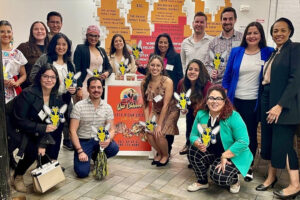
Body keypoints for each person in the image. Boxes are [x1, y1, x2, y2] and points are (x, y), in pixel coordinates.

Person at [222, 22, 274, 181]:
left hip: (254, 102)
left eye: (255, 33)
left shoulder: (268, 52)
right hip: (234, 100)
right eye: (249, 33)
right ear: (245, 35)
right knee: (232, 133)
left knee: (249, 134)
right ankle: (233, 160)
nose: (252, 36)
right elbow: (227, 77)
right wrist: (226, 99)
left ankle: (248, 165)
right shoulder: (237, 51)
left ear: (261, 35)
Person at [255, 18, 300, 199]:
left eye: (283, 30)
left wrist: (280, 105)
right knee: (272, 141)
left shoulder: (295, 49)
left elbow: (296, 80)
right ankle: (271, 177)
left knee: (284, 144)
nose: (278, 34)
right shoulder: (275, 52)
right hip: (268, 97)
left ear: (290, 31)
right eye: (275, 31)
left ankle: (295, 185)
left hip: (283, 105)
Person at [12, 64, 71, 193]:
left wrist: (43, 142)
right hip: (19, 129)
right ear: (40, 77)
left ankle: (43, 167)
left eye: (52, 77)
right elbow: (19, 120)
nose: (49, 80)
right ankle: (18, 176)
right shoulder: (28, 93)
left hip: (39, 130)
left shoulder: (56, 97)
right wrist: (42, 130)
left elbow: (53, 124)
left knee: (48, 144)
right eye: (46, 76)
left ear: (56, 80)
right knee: (33, 149)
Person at [187, 85, 253, 194]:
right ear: (206, 100)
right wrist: (196, 142)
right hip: (212, 151)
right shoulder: (201, 114)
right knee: (192, 150)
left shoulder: (233, 116)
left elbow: (244, 141)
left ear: (224, 101)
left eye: (218, 98)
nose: (214, 101)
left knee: (219, 178)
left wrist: (225, 155)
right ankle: (202, 182)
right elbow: (193, 135)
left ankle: (234, 180)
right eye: (211, 98)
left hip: (232, 154)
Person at [29, 33, 76, 150]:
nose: (61, 47)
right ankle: (41, 160)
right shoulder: (45, 58)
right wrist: (48, 82)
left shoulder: (70, 64)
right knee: (45, 130)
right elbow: (32, 76)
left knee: (58, 131)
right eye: (58, 44)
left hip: (63, 101)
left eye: (64, 44)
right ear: (53, 45)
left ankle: (53, 162)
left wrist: (73, 89)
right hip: (46, 100)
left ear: (68, 47)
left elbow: (73, 82)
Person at [138, 33, 183, 154]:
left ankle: (167, 150)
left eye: (165, 42)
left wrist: (178, 94)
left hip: (171, 96)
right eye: (160, 42)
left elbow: (179, 76)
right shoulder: (153, 56)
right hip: (158, 101)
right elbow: (150, 71)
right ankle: (162, 152)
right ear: (157, 44)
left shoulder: (175, 56)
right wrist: (138, 67)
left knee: (168, 128)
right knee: (157, 128)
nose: (162, 44)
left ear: (169, 44)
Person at [69, 77, 119, 178]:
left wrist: (108, 139)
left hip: (99, 140)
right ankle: (86, 155)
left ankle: (96, 157)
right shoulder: (79, 106)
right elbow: (72, 131)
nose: (96, 90)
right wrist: (80, 151)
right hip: (83, 141)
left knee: (114, 148)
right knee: (82, 173)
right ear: (87, 89)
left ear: (102, 89)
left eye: (99, 87)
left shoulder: (107, 107)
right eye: (93, 87)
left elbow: (112, 129)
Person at [141, 55, 180, 166]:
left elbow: (166, 105)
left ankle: (165, 155)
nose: (155, 68)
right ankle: (160, 152)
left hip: (170, 110)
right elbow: (146, 105)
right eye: (152, 65)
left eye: (158, 65)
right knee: (149, 133)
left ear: (162, 67)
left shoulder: (168, 81)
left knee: (159, 133)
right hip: (156, 109)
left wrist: (159, 124)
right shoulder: (144, 83)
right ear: (148, 66)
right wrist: (148, 122)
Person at [177, 59, 212, 157]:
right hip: (191, 111)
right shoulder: (182, 83)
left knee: (201, 133)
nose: (192, 72)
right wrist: (182, 107)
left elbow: (209, 105)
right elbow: (181, 99)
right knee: (190, 125)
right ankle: (190, 147)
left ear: (201, 73)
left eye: (196, 70)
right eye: (190, 69)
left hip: (204, 113)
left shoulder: (207, 85)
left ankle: (200, 155)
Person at [205, 7, 243, 84]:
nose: (227, 21)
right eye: (225, 19)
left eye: (230, 19)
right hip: (219, 85)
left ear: (235, 20)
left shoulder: (242, 39)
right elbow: (207, 64)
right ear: (221, 21)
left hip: (237, 84)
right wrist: (211, 72)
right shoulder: (213, 42)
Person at [74, 25, 112, 100]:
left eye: (96, 36)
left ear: (99, 37)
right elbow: (76, 69)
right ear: (87, 36)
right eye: (91, 35)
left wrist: (107, 73)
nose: (93, 38)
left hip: (98, 88)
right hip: (84, 86)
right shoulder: (80, 48)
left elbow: (109, 67)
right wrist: (79, 88)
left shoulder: (102, 50)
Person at [0, 20, 27, 103]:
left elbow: (23, 75)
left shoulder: (17, 53)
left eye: (8, 32)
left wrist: (17, 82)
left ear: (12, 33)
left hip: (12, 94)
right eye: (2, 32)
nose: (6, 34)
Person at [17, 21, 49, 89]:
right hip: (29, 88)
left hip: (48, 88)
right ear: (32, 32)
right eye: (36, 29)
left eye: (42, 29)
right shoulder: (24, 47)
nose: (39, 31)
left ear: (46, 31)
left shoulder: (52, 48)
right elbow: (15, 67)